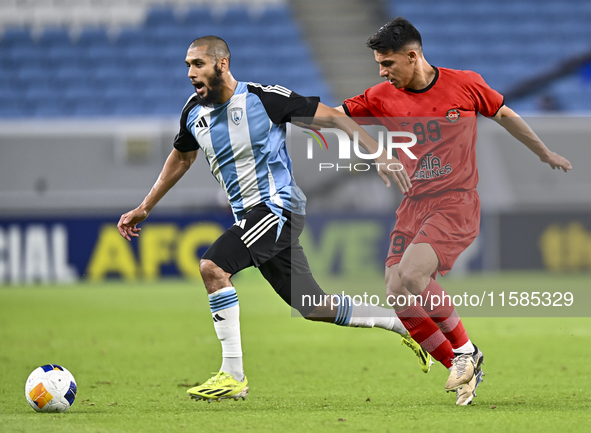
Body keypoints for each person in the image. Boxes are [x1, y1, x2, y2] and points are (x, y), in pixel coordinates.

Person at [117, 35, 431, 403]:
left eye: (197, 64)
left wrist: (377, 153)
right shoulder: (192, 112)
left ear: (222, 64)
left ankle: (232, 376)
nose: (190, 72)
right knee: (314, 307)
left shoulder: (264, 99)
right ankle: (405, 324)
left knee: (213, 267)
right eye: (187, 65)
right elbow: (182, 157)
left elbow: (333, 117)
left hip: (277, 207)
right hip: (253, 217)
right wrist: (145, 206)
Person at [337, 18, 572, 405]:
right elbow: (335, 114)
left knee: (413, 275)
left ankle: (465, 352)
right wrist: (374, 149)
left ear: (412, 56)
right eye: (379, 65)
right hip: (412, 204)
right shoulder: (380, 95)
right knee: (397, 292)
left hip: (455, 201)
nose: (382, 72)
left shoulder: (464, 84)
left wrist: (544, 152)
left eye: (388, 63)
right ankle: (460, 366)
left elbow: (506, 115)